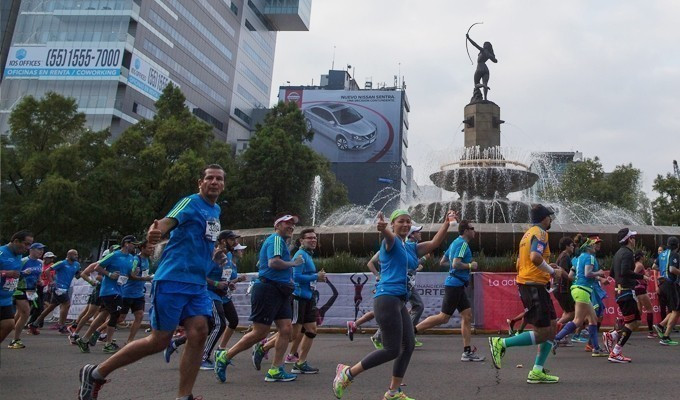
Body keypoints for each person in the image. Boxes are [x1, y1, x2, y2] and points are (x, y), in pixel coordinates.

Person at [78, 164, 225, 400]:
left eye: (219, 179)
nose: (214, 182)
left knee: (199, 332)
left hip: (197, 284)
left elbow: (200, 240)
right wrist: (155, 233)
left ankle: (183, 396)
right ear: (201, 183)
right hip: (173, 280)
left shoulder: (215, 210)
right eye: (210, 178)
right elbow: (166, 222)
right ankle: (96, 373)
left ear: (223, 184)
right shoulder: (190, 202)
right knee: (159, 340)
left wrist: (214, 257)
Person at [333, 209, 457, 400]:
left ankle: (393, 392)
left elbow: (434, 243)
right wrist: (383, 229)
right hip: (387, 298)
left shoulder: (411, 247)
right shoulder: (390, 242)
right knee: (392, 349)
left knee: (408, 345)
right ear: (393, 224)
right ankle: (347, 373)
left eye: (408, 221)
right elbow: (388, 236)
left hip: (399, 300)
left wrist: (447, 222)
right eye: (401, 221)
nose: (406, 225)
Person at [214, 215, 303, 383]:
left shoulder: (280, 242)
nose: (291, 226)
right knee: (260, 332)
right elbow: (273, 263)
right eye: (287, 223)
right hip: (269, 289)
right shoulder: (276, 239)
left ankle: (276, 369)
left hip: (280, 290)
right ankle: (225, 357)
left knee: (286, 329)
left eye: (293, 224)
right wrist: (293, 264)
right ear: (277, 226)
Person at [488, 204, 564, 384]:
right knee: (543, 332)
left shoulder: (527, 234)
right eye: (549, 217)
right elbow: (535, 258)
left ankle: (537, 371)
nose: (551, 220)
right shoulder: (541, 233)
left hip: (534, 284)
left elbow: (522, 262)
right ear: (544, 218)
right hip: (533, 286)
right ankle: (501, 343)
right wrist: (552, 273)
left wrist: (547, 268)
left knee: (552, 327)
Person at [414, 220, 485, 362]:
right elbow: (455, 263)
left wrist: (455, 268)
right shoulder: (463, 244)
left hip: (457, 284)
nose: (474, 231)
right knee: (443, 318)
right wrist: (471, 265)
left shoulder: (454, 243)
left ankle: (467, 352)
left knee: (467, 315)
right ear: (465, 231)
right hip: (454, 285)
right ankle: (410, 332)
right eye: (472, 228)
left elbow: (443, 262)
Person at [76, 236, 137, 354]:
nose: (135, 246)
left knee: (103, 315)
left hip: (119, 289)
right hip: (109, 290)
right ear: (126, 243)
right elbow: (97, 267)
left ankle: (84, 339)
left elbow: (129, 273)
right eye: (133, 243)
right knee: (115, 314)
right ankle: (108, 343)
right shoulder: (114, 255)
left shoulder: (131, 258)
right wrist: (109, 274)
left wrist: (134, 274)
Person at [552, 238, 607, 357]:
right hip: (583, 290)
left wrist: (596, 278)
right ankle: (556, 338)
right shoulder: (590, 257)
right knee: (577, 320)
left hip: (576, 289)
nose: (595, 247)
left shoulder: (576, 259)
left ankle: (596, 348)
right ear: (589, 247)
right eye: (593, 245)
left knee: (593, 320)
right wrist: (600, 273)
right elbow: (588, 273)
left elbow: (572, 275)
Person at [602, 228, 648, 362]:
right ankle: (616, 352)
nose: (634, 240)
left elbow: (612, 273)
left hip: (620, 291)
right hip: (626, 291)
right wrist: (641, 276)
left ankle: (613, 335)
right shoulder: (627, 253)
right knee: (632, 323)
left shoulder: (618, 253)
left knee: (636, 321)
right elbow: (624, 271)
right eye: (633, 237)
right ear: (629, 239)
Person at [30, 249, 80, 334]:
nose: (76, 256)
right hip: (59, 288)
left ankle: (35, 323)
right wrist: (51, 281)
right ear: (68, 255)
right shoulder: (62, 263)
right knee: (66, 304)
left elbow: (77, 275)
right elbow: (47, 271)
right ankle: (61, 326)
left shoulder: (77, 264)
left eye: (77, 254)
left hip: (66, 288)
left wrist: (83, 275)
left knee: (51, 307)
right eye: (74, 254)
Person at [8, 242, 44, 349]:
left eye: (42, 250)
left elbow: (38, 275)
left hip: (32, 290)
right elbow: (13, 275)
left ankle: (6, 329)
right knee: (25, 313)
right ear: (31, 250)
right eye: (39, 249)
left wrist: (39, 281)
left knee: (24, 312)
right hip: (20, 289)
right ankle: (15, 340)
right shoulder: (23, 261)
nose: (41, 252)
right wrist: (23, 273)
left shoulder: (40, 263)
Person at [0, 230, 34, 344]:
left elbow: (15, 274)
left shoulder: (19, 255)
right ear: (16, 241)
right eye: (26, 244)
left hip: (6, 298)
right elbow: (7, 273)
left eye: (30, 245)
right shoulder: (1, 252)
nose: (28, 248)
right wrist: (6, 273)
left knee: (9, 325)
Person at [119, 240, 154, 345]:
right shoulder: (136, 259)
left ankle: (129, 341)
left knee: (139, 315)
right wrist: (144, 278)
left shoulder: (147, 260)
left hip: (139, 294)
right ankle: (99, 330)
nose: (151, 250)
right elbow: (131, 275)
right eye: (149, 248)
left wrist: (149, 277)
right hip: (128, 292)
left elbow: (144, 274)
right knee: (120, 318)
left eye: (152, 248)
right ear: (142, 248)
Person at [651, 236, 680, 345]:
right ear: (677, 246)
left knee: (673, 310)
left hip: (662, 283)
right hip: (670, 284)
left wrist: (663, 271)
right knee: (676, 311)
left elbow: (654, 266)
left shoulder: (662, 254)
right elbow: (672, 269)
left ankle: (660, 326)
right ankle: (666, 337)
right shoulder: (674, 254)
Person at [552, 237, 575, 347]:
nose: (573, 247)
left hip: (559, 288)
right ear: (566, 246)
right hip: (563, 289)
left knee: (567, 312)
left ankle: (561, 336)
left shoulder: (562, 256)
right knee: (573, 313)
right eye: (571, 245)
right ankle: (555, 332)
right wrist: (571, 278)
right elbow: (562, 271)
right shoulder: (565, 256)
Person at [27, 251, 56, 327]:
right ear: (45, 258)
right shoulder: (40, 264)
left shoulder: (52, 266)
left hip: (45, 287)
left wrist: (50, 285)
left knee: (39, 305)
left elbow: (52, 276)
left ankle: (35, 322)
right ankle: (37, 322)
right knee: (36, 305)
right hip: (35, 286)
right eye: (50, 258)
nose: (51, 259)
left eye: (52, 258)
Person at [466, 32, 497, 101]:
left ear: (486, 46)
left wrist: (468, 38)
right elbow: (495, 61)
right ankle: (485, 98)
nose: (483, 45)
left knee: (476, 84)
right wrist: (491, 56)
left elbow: (475, 45)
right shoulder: (489, 54)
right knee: (485, 82)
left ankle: (483, 85)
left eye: (484, 44)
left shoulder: (483, 50)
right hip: (486, 69)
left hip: (480, 67)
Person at [633, 250, 656, 338]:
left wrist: (648, 273)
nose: (645, 257)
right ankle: (650, 332)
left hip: (638, 289)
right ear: (641, 256)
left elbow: (644, 277)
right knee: (650, 309)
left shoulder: (637, 265)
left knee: (639, 312)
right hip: (640, 289)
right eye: (644, 255)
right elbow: (633, 275)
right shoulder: (639, 265)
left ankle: (624, 329)